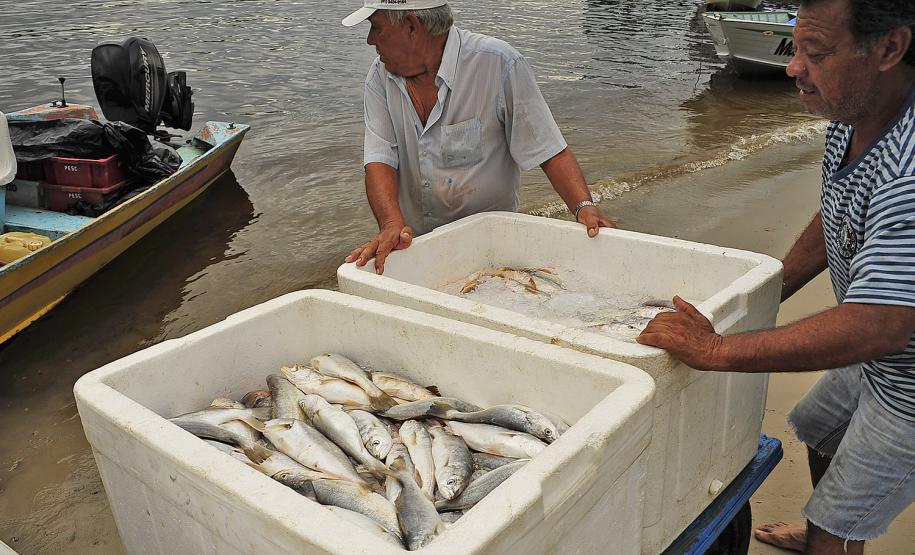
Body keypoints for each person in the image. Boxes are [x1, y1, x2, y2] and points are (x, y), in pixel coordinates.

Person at [638, 0, 915, 553]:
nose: (793, 68)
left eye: (815, 53)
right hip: (884, 361)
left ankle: (832, 535)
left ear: (889, 49)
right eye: (796, 46)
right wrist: (770, 287)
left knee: (833, 530)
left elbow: (880, 325)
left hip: (908, 385)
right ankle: (828, 526)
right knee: (817, 428)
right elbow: (838, 209)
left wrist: (717, 350)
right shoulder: (853, 113)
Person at [341, 0, 616, 274]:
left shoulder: (498, 64)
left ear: (412, 26)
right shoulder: (380, 77)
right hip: (418, 246)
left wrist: (583, 207)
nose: (370, 40)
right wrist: (391, 224)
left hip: (493, 247)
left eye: (376, 28)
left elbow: (548, 148)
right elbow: (380, 159)